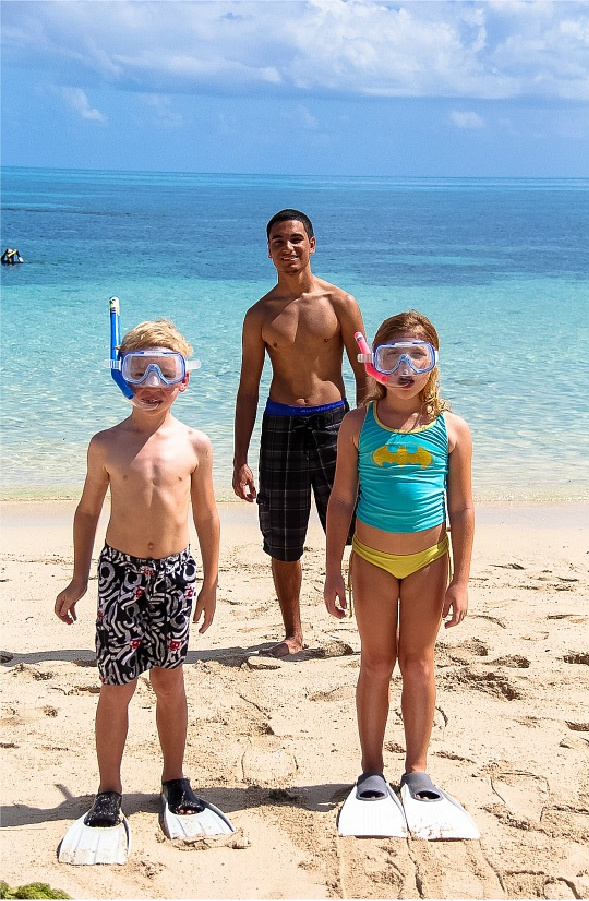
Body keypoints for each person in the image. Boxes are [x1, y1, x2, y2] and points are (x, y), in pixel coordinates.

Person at [55, 319, 219, 825]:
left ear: (183, 379)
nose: (151, 383)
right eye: (138, 371)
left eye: (164, 371)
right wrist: (79, 578)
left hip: (175, 573)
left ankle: (174, 778)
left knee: (170, 682)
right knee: (117, 685)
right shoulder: (105, 444)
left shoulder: (195, 444)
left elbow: (209, 516)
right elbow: (87, 512)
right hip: (119, 573)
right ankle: (109, 789)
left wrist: (209, 583)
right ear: (121, 377)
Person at [324, 310, 474, 800]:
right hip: (370, 559)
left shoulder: (451, 429)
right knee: (375, 662)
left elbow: (462, 507)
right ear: (374, 364)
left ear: (433, 364)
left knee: (419, 663)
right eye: (393, 355)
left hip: (430, 562)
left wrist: (461, 579)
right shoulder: (355, 424)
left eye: (418, 355)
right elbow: (341, 499)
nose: (405, 366)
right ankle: (370, 769)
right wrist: (332, 573)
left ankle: (416, 768)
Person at [232, 209, 366, 657]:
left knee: (356, 526)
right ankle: (294, 630)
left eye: (295, 239)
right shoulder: (259, 315)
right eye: (277, 242)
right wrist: (240, 458)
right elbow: (248, 386)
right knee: (283, 534)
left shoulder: (339, 303)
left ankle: (369, 616)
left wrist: (368, 429)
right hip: (280, 423)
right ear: (268, 250)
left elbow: (364, 371)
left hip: (336, 422)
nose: (287, 248)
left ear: (312, 244)